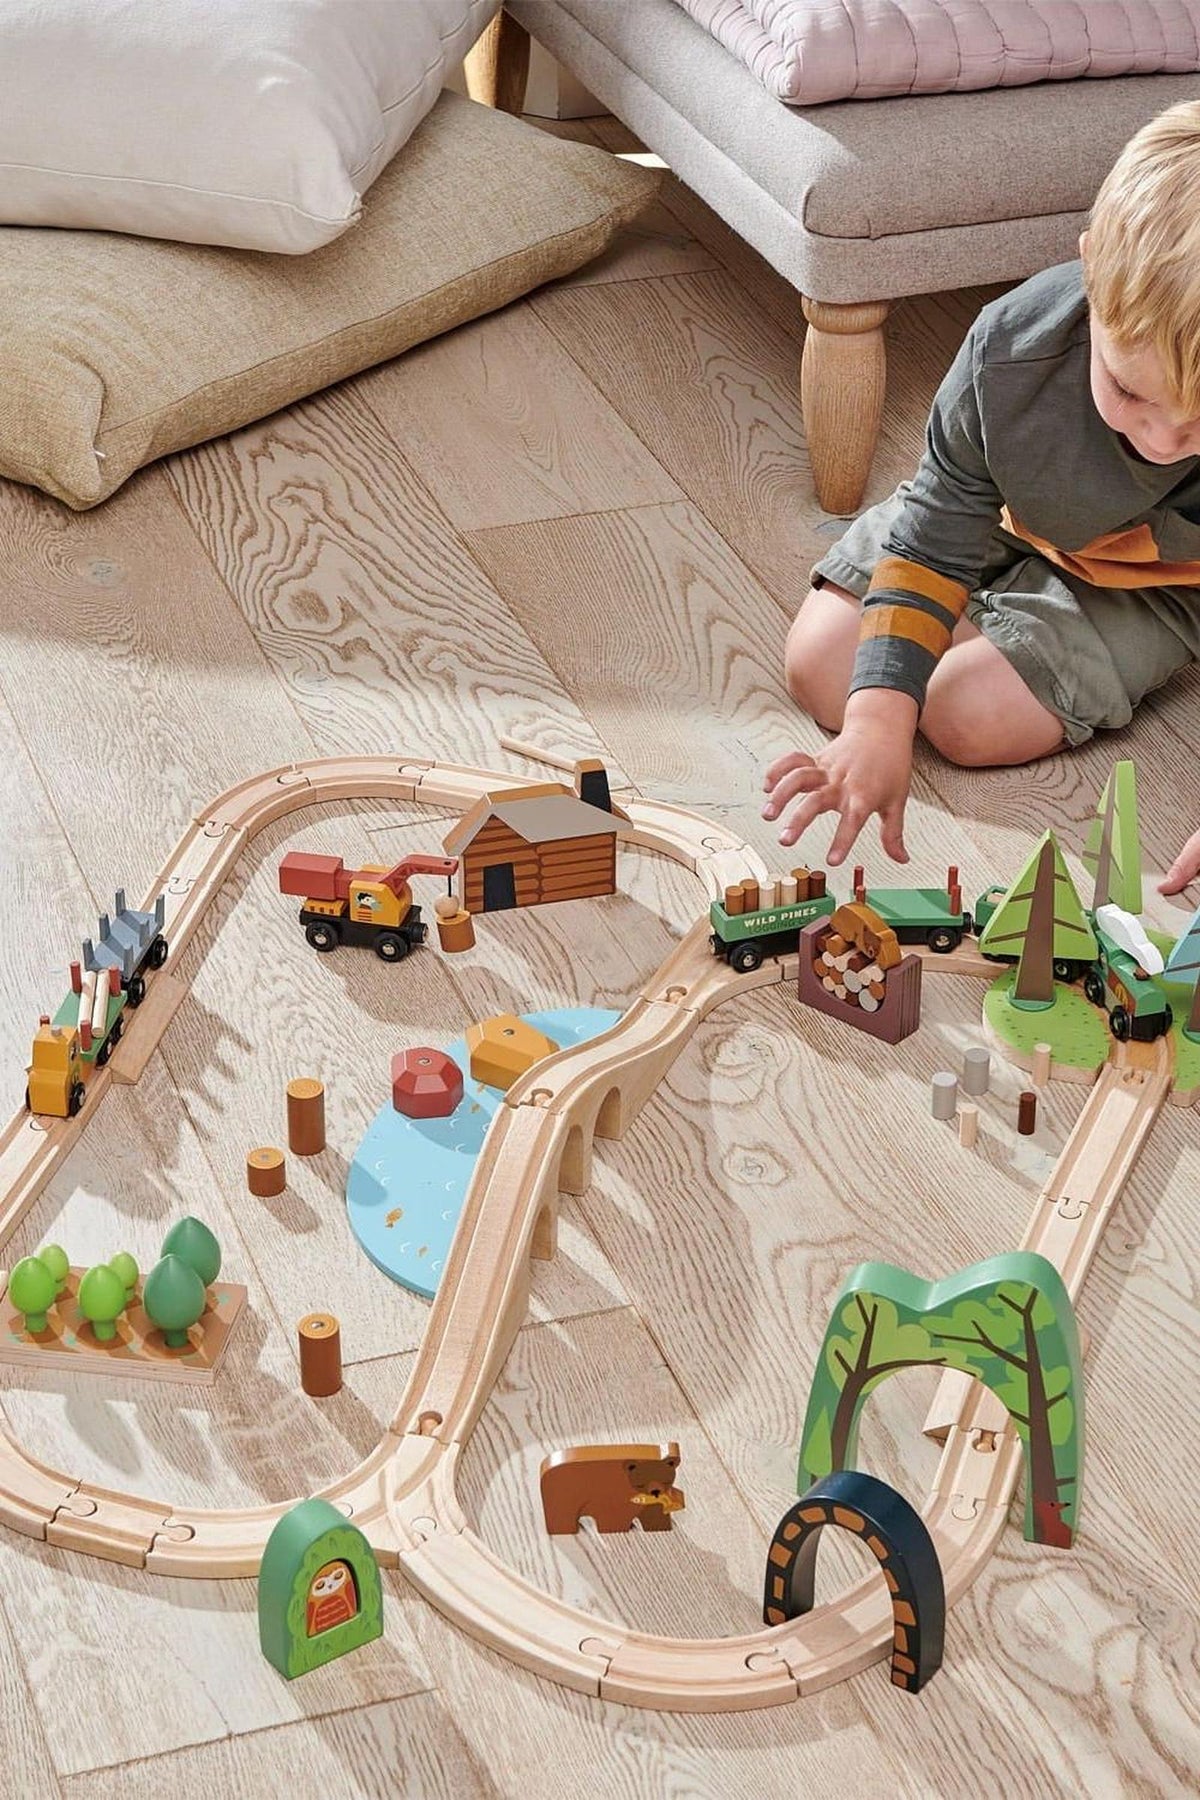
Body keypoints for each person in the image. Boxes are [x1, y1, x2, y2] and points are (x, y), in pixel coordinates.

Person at [763, 100, 1200, 897]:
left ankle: (1006, 634)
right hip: (998, 516)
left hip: (1157, 588)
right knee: (829, 672)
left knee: (966, 718)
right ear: (1091, 267)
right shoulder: (1011, 348)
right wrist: (877, 717)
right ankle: (974, 624)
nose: (1167, 439)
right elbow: (936, 535)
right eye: (1131, 391)